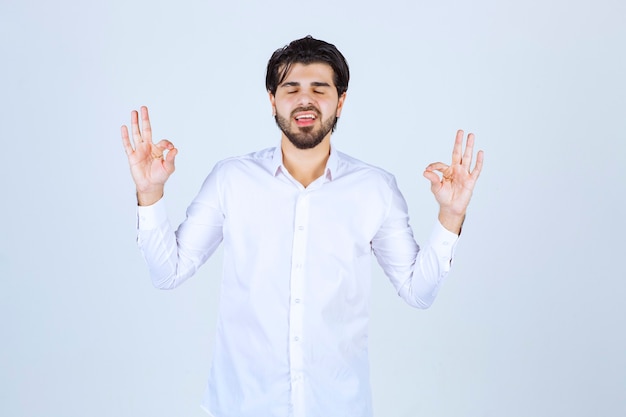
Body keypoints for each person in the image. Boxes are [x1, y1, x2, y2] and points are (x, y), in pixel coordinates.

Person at [121, 36, 483, 417]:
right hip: (243, 406)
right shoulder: (232, 179)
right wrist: (150, 191)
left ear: (340, 101)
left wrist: (451, 215)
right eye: (291, 88)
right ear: (272, 99)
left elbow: (417, 292)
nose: (304, 100)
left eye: (319, 88)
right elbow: (168, 272)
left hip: (338, 407)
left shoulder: (375, 188)